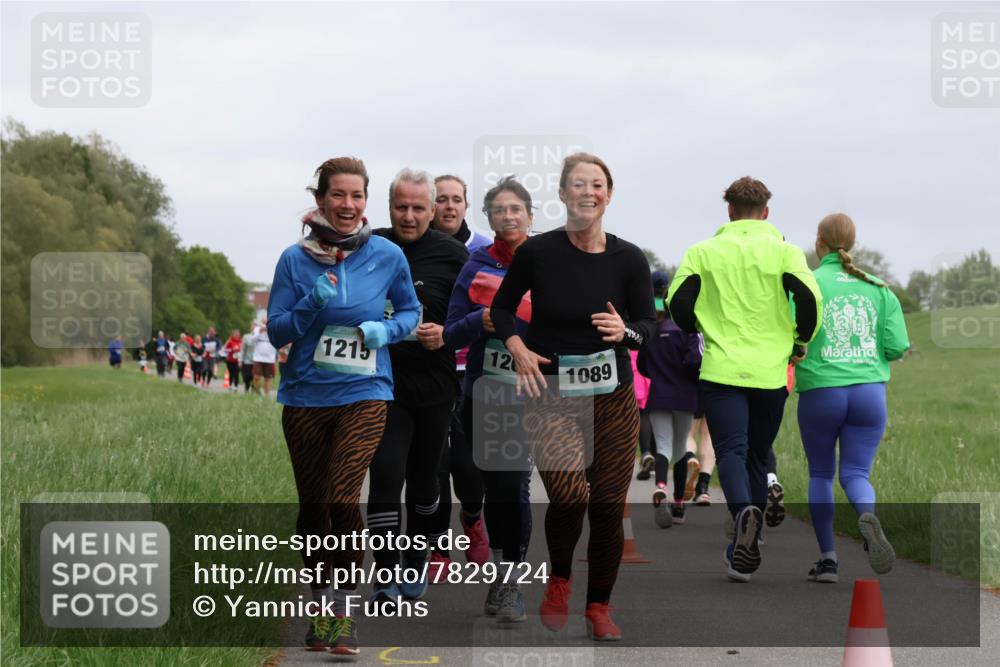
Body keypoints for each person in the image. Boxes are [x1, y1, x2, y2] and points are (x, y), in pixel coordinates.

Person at [492, 153, 656, 640]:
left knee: (607, 505)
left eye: (597, 185)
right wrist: (518, 346)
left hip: (612, 395)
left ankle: (599, 607)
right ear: (562, 195)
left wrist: (624, 331)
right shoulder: (538, 253)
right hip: (552, 393)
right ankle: (559, 579)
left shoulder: (629, 258)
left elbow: (648, 326)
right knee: (567, 496)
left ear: (608, 195)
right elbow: (502, 309)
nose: (588, 192)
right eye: (578, 184)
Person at [267, 157, 420, 654]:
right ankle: (319, 605)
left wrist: (388, 330)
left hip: (365, 392)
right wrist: (311, 301)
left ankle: (344, 611)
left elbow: (412, 313)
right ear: (321, 200)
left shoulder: (388, 255)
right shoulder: (295, 259)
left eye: (357, 197)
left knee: (340, 496)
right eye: (339, 196)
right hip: (306, 395)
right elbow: (276, 332)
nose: (349, 206)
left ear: (366, 202)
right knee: (314, 509)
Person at [668, 176, 822, 582]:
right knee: (758, 453)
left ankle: (742, 521)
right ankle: (747, 543)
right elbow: (809, 300)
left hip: (721, 369)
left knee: (731, 451)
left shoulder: (703, 251)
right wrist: (799, 340)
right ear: (766, 212)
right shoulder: (786, 252)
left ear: (730, 211)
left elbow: (677, 302)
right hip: (771, 372)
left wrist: (698, 325)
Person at [366, 168, 468, 606]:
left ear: (431, 210)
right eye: (400, 207)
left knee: (425, 481)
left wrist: (445, 331)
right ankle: (385, 576)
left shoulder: (453, 255)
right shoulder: (370, 247)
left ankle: (416, 557)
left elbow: (474, 317)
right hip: (381, 382)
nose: (409, 216)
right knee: (386, 475)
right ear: (388, 208)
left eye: (418, 208)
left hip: (436, 384)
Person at [795, 213, 909, 583]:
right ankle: (867, 515)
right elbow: (896, 347)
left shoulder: (808, 284)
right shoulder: (879, 288)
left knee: (821, 473)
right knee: (857, 473)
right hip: (868, 393)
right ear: (853, 243)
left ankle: (828, 560)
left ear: (819, 241)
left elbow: (792, 337)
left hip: (822, 391)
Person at [444, 176, 535, 622]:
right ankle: (502, 571)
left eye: (516, 209)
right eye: (500, 210)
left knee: (516, 483)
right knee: (497, 487)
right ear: (490, 218)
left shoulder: (547, 263)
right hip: (486, 391)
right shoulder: (476, 264)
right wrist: (481, 320)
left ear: (530, 215)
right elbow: (450, 331)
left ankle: (511, 581)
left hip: (533, 393)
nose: (509, 216)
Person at [428, 174, 491, 576]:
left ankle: (472, 516)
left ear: (466, 205)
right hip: (432, 368)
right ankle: (438, 549)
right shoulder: (415, 246)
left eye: (456, 199)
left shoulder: (484, 249)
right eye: (441, 200)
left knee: (467, 465)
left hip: (476, 369)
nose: (448, 206)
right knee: (434, 464)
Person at [637, 292, 702, 528]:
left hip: (658, 395)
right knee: (680, 448)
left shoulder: (650, 334)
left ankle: (661, 486)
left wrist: (658, 375)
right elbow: (696, 360)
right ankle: (678, 504)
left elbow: (642, 366)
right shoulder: (688, 332)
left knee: (662, 446)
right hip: (684, 396)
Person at [635, 271, 670, 480]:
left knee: (643, 412)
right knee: (659, 412)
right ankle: (657, 459)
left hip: (639, 358)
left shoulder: (642, 301)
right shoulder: (668, 305)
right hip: (662, 360)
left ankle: (646, 452)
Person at [251, 321, 277, 396]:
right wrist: (260, 331)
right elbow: (252, 340)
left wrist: (270, 331)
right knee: (256, 376)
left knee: (268, 377)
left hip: (270, 358)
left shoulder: (274, 329)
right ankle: (257, 392)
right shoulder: (257, 329)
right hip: (258, 357)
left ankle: (267, 394)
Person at [239, 326, 255, 393]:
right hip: (247, 360)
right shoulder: (246, 336)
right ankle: (246, 387)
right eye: (253, 327)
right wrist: (240, 360)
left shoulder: (261, 337)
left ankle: (253, 390)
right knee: (246, 376)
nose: (254, 328)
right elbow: (242, 349)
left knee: (254, 376)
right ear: (250, 328)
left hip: (256, 361)